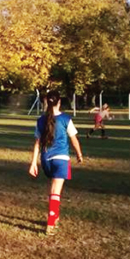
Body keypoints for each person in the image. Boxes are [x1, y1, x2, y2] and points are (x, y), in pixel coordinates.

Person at [29, 91, 84, 236]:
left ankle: (55, 216)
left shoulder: (41, 120)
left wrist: (33, 163)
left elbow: (37, 143)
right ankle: (51, 222)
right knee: (55, 191)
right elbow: (74, 139)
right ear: (59, 102)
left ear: (46, 102)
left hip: (46, 160)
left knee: (54, 190)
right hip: (61, 159)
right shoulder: (66, 118)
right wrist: (79, 154)